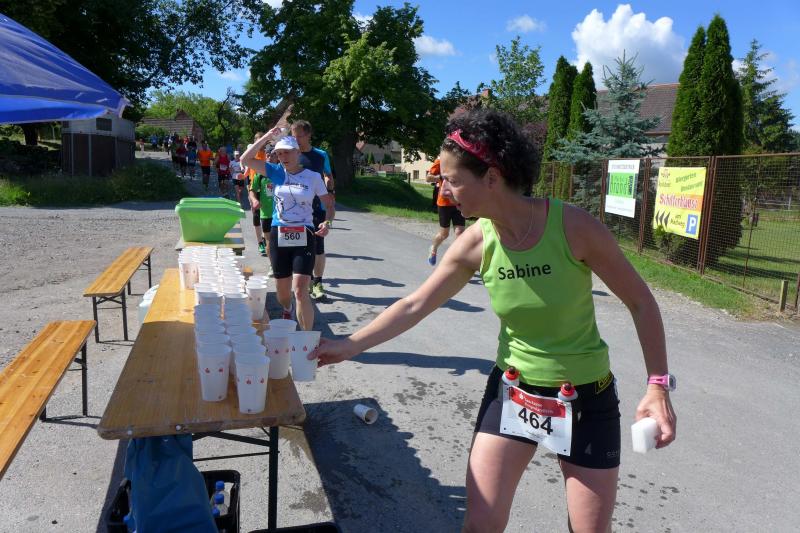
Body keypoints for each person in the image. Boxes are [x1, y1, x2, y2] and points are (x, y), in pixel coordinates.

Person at [310, 108, 677, 533]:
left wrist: (658, 385)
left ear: (491, 177)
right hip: (514, 392)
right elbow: (415, 304)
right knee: (480, 525)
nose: (443, 190)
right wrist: (350, 345)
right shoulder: (476, 241)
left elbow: (641, 302)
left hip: (585, 399)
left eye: (451, 179)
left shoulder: (574, 227)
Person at [242, 130, 334, 331]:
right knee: (283, 294)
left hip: (304, 233)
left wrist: (327, 222)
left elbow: (329, 204)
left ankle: (307, 339)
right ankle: (287, 307)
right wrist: (267, 137)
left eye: (287, 152)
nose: (283, 156)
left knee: (300, 290)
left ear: (297, 152)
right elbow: (245, 159)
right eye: (279, 153)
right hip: (279, 233)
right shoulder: (276, 172)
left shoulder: (313, 177)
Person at [291, 120, 335, 300]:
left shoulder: (320, 155)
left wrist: (330, 191)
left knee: (318, 246)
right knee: (298, 246)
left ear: (308, 135)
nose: (296, 139)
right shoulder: (291, 154)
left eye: (299, 136)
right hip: (294, 209)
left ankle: (317, 282)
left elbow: (328, 175)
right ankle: (305, 279)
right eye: (293, 136)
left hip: (317, 207)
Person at [425, 157, 465, 265]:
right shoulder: (440, 161)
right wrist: (440, 177)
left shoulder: (461, 160)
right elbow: (428, 178)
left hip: (458, 202)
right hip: (444, 203)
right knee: (444, 234)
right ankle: (433, 248)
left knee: (460, 232)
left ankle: (456, 259)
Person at [246, 133, 269, 257]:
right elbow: (247, 169)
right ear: (255, 141)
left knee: (267, 215)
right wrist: (244, 177)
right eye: (259, 141)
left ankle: (266, 239)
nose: (262, 143)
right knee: (256, 215)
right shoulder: (251, 153)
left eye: (263, 141)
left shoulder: (268, 153)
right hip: (254, 187)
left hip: (266, 186)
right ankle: (260, 242)